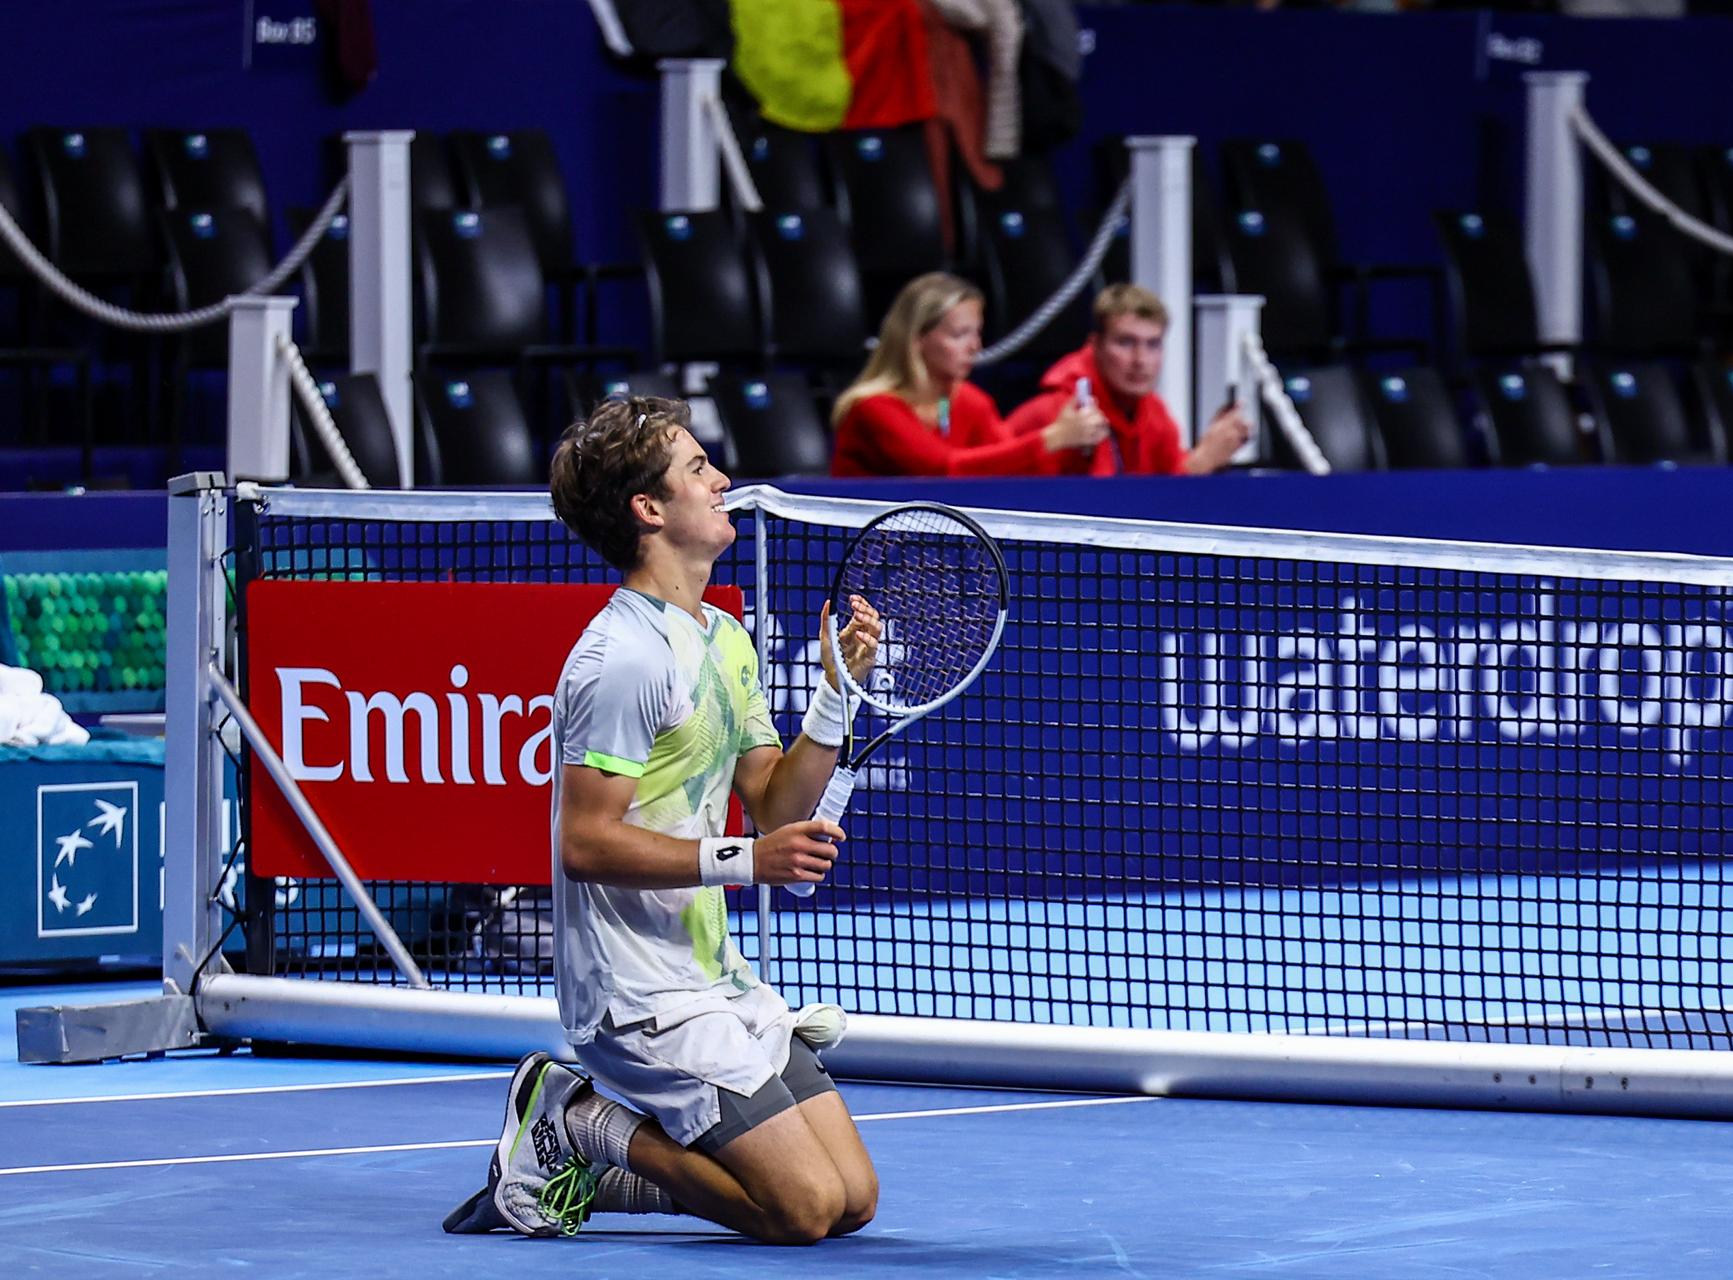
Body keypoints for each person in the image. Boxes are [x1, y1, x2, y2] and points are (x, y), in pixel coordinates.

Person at [443, 395, 883, 1245]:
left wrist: (835, 696)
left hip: (715, 980)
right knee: (800, 1211)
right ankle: (574, 1117)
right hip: (636, 996)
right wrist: (747, 861)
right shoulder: (622, 659)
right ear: (649, 509)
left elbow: (775, 802)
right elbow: (585, 842)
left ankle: (578, 1173)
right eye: (697, 467)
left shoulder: (723, 637)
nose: (721, 479)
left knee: (852, 1201)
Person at [829, 271, 1108, 476]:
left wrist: (1077, 446)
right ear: (917, 339)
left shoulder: (970, 402)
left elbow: (1017, 472)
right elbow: (942, 470)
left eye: (977, 333)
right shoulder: (873, 408)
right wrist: (1050, 438)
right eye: (960, 334)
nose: (975, 346)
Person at [1004, 284, 1254, 476]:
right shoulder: (1059, 413)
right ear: (1095, 346)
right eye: (1125, 342)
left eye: (1153, 344)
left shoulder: (1155, 414)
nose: (1140, 360)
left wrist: (1209, 453)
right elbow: (1100, 504)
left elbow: (1168, 496)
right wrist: (1202, 461)